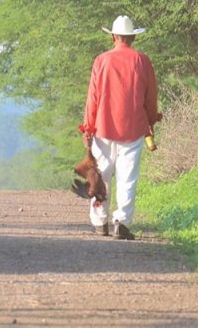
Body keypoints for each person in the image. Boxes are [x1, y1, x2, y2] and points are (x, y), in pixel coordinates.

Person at [79, 15, 161, 240]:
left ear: (113, 36)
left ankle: (100, 222)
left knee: (101, 174)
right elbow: (150, 97)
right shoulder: (142, 61)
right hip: (133, 127)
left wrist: (87, 127)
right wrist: (151, 121)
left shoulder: (101, 60)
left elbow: (93, 98)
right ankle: (122, 223)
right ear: (133, 37)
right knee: (127, 177)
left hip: (103, 127)